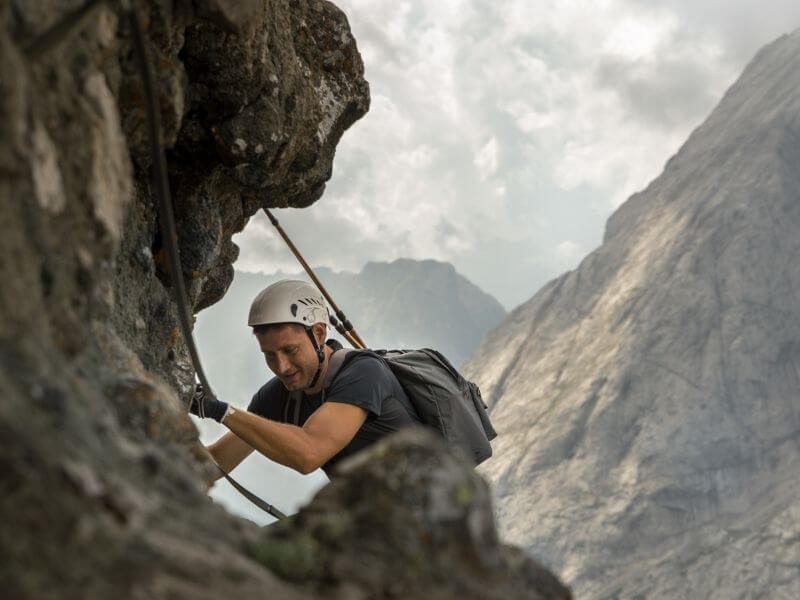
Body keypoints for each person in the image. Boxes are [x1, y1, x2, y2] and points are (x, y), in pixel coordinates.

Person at [190, 279, 420, 478]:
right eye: (270, 355)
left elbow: (309, 453)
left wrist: (219, 410)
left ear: (319, 334)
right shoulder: (279, 395)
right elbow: (216, 463)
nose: (281, 367)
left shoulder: (364, 373)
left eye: (290, 350)